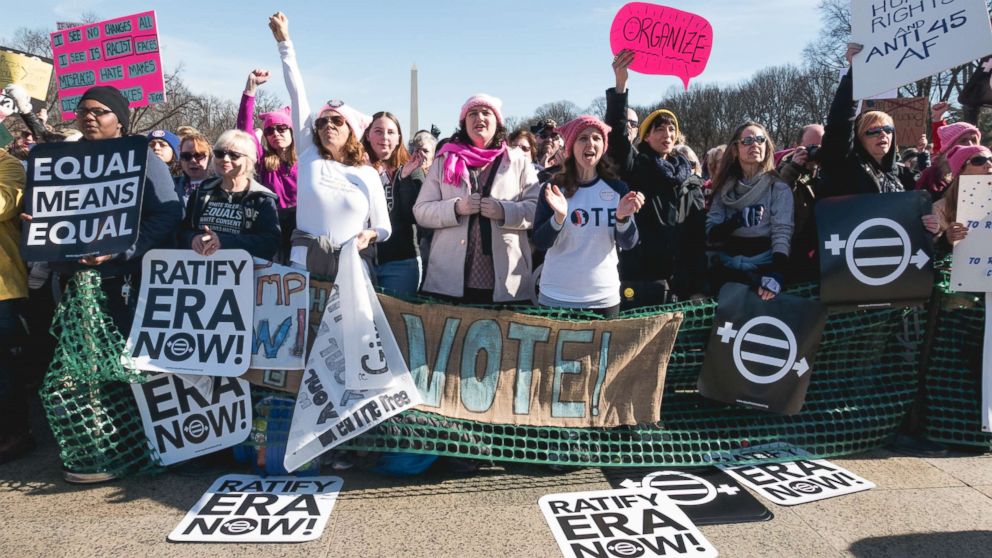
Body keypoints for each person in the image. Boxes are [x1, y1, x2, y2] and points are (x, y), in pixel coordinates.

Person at [23, 85, 182, 482]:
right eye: (82, 111)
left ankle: (135, 444)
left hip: (121, 282)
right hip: (72, 284)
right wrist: (40, 226)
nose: (89, 117)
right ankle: (94, 443)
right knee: (80, 367)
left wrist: (122, 251)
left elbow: (167, 216)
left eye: (99, 111)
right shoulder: (61, 160)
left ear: (120, 120)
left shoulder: (142, 158)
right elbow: (50, 213)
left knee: (123, 365)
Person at [270, 12, 389, 280]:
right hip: (303, 265)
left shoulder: (368, 174)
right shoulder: (309, 153)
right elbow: (297, 92)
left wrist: (369, 234)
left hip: (352, 267)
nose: (328, 126)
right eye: (322, 122)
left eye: (337, 121)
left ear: (352, 132)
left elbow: (384, 227)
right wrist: (284, 44)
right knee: (302, 324)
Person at [414, 93, 539, 304]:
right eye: (472, 113)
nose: (479, 118)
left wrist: (504, 211)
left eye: (486, 112)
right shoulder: (444, 159)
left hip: (506, 277)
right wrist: (456, 208)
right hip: (449, 277)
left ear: (497, 121)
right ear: (464, 123)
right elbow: (421, 211)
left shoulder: (517, 160)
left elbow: (537, 209)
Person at [606, 49, 706, 302]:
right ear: (646, 137)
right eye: (659, 129)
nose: (667, 134)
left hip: (681, 280)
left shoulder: (689, 178)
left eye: (671, 129)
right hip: (643, 278)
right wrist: (621, 85)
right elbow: (617, 139)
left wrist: (698, 284)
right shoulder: (637, 167)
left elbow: (696, 235)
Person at [819, 44, 940, 237]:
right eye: (873, 131)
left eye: (887, 129)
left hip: (896, 259)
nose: (882, 135)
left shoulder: (903, 175)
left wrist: (931, 229)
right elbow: (840, 123)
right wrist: (854, 74)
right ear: (858, 138)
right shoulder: (846, 165)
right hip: (852, 256)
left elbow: (913, 220)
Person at [533, 116, 644, 318]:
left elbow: (629, 243)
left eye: (596, 138)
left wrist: (622, 219)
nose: (590, 143)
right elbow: (540, 242)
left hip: (603, 297)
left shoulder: (617, 188)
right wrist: (558, 219)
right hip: (556, 295)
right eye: (583, 138)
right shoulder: (553, 188)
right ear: (571, 146)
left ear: (603, 146)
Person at [706, 122, 794, 300]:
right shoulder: (724, 188)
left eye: (760, 140)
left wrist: (777, 273)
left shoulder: (778, 188)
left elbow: (782, 233)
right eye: (747, 140)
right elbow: (711, 234)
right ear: (735, 150)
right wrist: (736, 221)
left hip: (762, 272)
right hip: (726, 270)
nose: (755, 144)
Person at [179, 129, 281, 260]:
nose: (225, 159)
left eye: (234, 155)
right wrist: (192, 238)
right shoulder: (201, 192)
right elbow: (181, 231)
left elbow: (271, 243)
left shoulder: (262, 198)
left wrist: (224, 242)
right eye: (220, 153)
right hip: (201, 271)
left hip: (245, 273)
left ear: (249, 160)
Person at [238, 70, 299, 263]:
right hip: (273, 223)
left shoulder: (305, 159)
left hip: (301, 226)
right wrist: (250, 89)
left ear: (291, 131)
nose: (276, 134)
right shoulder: (265, 161)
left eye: (282, 129)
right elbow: (245, 132)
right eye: (270, 130)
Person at [363, 111, 424, 295]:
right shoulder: (355, 168)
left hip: (401, 263)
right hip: (362, 259)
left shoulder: (412, 169)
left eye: (391, 132)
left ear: (399, 138)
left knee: (395, 323)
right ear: (368, 135)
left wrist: (404, 180)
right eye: (378, 131)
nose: (385, 137)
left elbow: (414, 216)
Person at [0, 149, 32, 464]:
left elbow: (2, 204)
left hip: (3, 290)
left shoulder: (8, 166)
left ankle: (15, 434)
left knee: (4, 368)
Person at [777, 124, 825, 281]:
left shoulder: (827, 171)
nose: (817, 151)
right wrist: (794, 169)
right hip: (793, 256)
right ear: (796, 147)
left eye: (822, 147)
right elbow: (778, 196)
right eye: (812, 147)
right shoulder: (783, 171)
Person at [932, 144, 992, 253]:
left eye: (990, 159)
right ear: (961, 170)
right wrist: (946, 240)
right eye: (979, 161)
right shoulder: (940, 208)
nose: (988, 164)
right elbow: (930, 251)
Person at [916, 121, 982, 200]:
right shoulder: (931, 174)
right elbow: (919, 206)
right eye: (963, 140)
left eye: (974, 140)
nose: (970, 144)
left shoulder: (985, 169)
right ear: (949, 147)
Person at [176, 132, 213, 204]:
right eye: (186, 156)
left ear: (210, 157)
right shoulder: (172, 185)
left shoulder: (222, 186)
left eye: (199, 155)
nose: (193, 161)